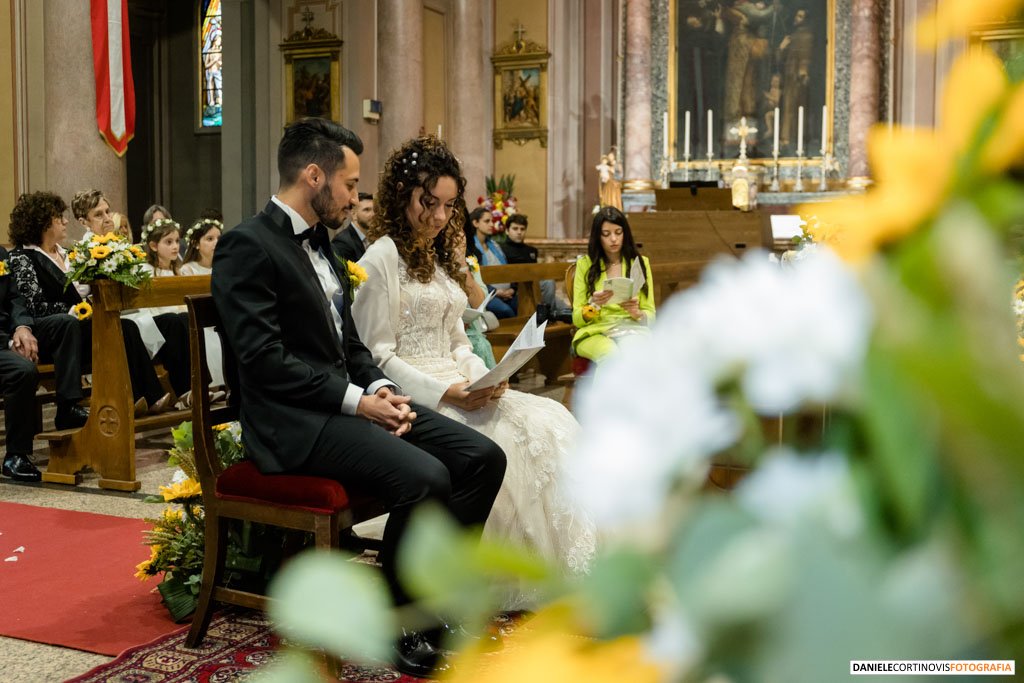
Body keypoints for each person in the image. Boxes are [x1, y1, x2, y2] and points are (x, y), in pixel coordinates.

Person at [210, 118, 505, 678]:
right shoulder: (247, 245)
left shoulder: (321, 242)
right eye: (349, 184)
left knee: (481, 459)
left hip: (342, 404)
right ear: (314, 175)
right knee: (425, 477)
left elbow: (348, 342)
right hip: (293, 424)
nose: (355, 196)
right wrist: (355, 400)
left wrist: (381, 388)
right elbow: (263, 362)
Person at [352, 136, 596, 602]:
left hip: (461, 383)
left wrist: (487, 376)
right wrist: (448, 394)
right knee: (501, 444)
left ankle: (556, 569)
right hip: (412, 398)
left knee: (550, 421)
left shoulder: (439, 259)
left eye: (448, 206)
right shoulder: (379, 259)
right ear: (402, 195)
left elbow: (458, 340)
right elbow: (375, 356)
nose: (439, 217)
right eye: (429, 203)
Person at [11, 191, 172, 417]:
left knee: (126, 327)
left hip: (81, 327)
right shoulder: (22, 257)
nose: (66, 221)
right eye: (59, 217)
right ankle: (82, 406)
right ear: (43, 222)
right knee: (87, 325)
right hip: (53, 334)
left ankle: (144, 396)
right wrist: (76, 310)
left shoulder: (68, 253)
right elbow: (32, 305)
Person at [0, 242, 87, 481]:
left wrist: (22, 326)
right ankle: (16, 455)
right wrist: (9, 341)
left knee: (65, 323)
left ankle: (68, 406)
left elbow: (15, 298)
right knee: (23, 370)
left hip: (10, 330)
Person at [572, 207, 656, 363]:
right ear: (598, 236)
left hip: (630, 329)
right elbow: (577, 318)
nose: (613, 239)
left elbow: (651, 314)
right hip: (595, 331)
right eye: (606, 234)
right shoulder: (585, 265)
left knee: (635, 353)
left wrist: (637, 313)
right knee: (610, 356)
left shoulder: (640, 263)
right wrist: (593, 306)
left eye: (618, 232)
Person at [501, 214, 572, 322]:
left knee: (567, 310)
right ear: (507, 230)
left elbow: (536, 272)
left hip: (535, 286)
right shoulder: (501, 249)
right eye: (515, 229)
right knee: (548, 283)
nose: (519, 232)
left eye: (522, 229)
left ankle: (550, 314)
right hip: (516, 290)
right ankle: (548, 317)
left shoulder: (531, 250)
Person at [465, 207, 517, 318]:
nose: (492, 224)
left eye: (492, 221)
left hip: (507, 291)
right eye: (487, 221)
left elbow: (507, 269)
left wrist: (512, 288)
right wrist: (496, 291)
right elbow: (474, 277)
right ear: (475, 223)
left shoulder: (495, 245)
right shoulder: (471, 248)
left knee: (525, 307)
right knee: (506, 311)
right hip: (488, 293)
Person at [331, 192, 373, 262]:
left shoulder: (375, 238)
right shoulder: (342, 242)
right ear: (353, 214)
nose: (373, 214)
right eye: (367, 210)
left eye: (375, 210)